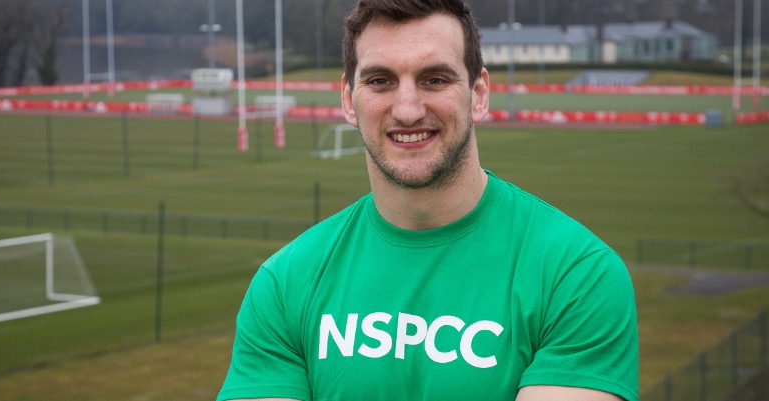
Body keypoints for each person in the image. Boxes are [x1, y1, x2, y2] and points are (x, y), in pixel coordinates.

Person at [216, 0, 638, 400]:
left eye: (434, 80)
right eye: (380, 81)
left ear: (478, 94)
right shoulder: (286, 282)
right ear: (348, 99)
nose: (408, 110)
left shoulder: (576, 274)